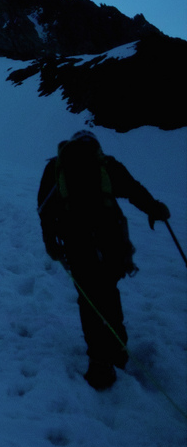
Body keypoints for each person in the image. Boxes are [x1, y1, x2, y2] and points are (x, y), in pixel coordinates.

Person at [37, 130, 170, 391]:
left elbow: (45, 209)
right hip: (112, 239)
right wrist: (155, 208)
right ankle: (118, 351)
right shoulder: (106, 164)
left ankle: (100, 365)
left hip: (77, 241)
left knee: (89, 299)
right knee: (108, 290)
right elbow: (133, 190)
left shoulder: (56, 167)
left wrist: (51, 243)